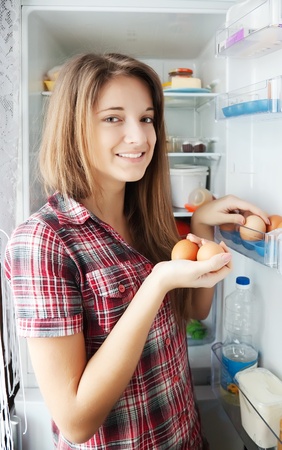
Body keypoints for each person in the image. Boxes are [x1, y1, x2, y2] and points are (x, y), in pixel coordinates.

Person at [4, 53, 269, 450]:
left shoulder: (146, 215)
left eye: (146, 118)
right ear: (73, 128)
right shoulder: (43, 241)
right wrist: (156, 283)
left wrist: (199, 229)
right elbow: (76, 421)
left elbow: (192, 310)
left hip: (185, 436)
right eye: (114, 118)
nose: (141, 137)